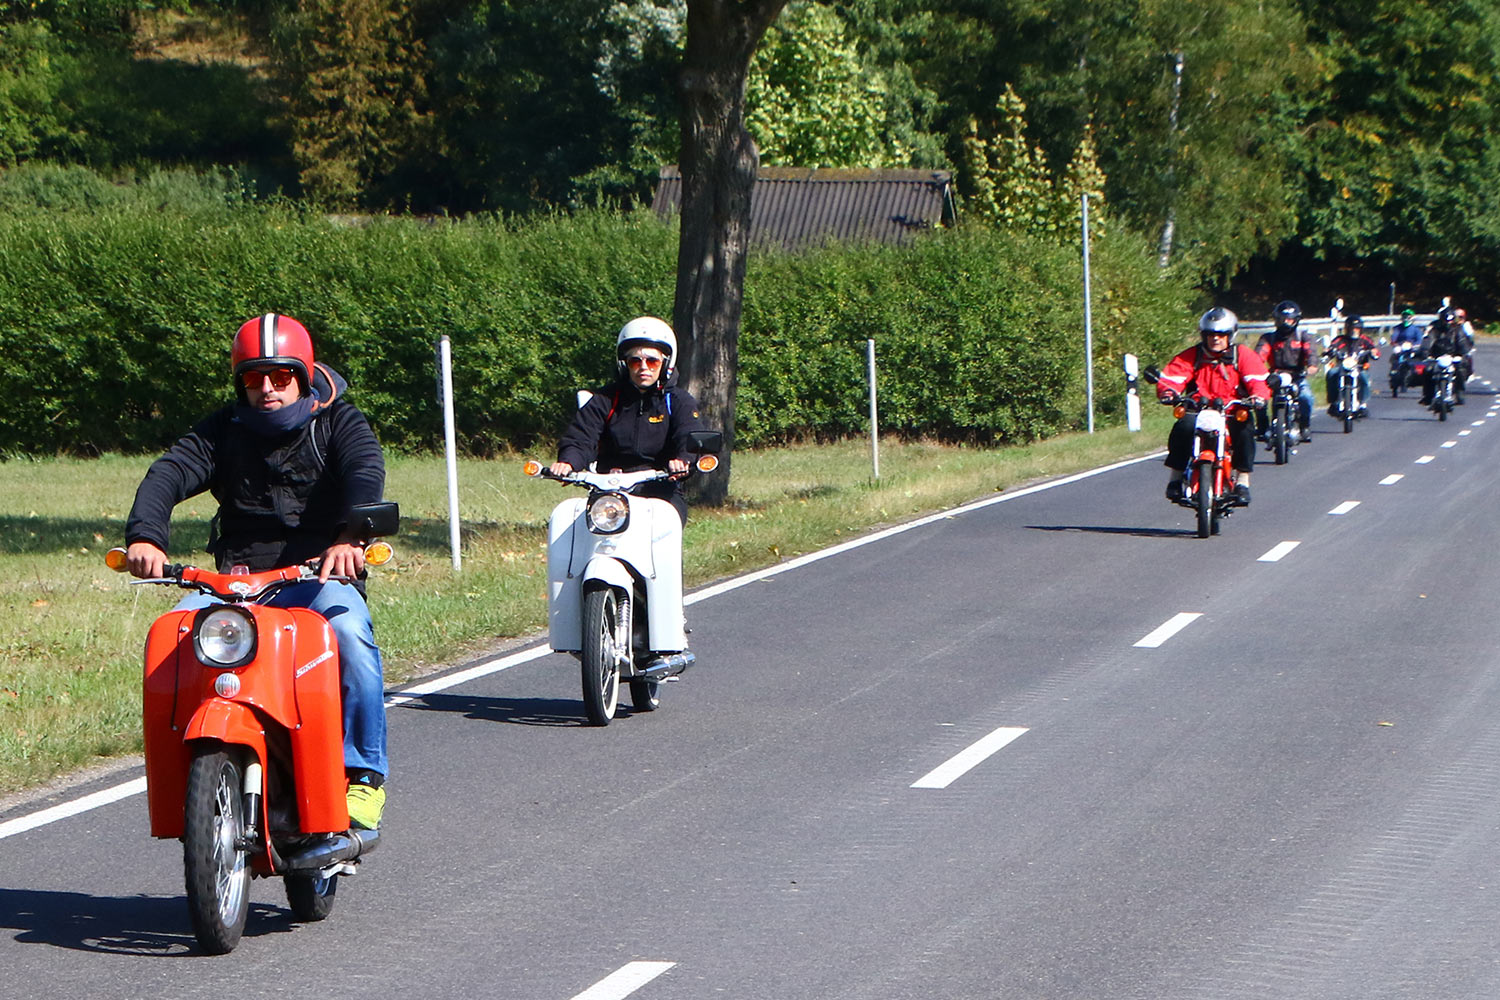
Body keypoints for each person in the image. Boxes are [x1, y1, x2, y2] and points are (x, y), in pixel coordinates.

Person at [124, 313, 391, 831]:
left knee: (351, 638)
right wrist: (146, 536)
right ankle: (190, 779)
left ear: (304, 375)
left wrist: (350, 538)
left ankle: (362, 778)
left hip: (319, 577)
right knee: (169, 641)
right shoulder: (224, 429)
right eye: (252, 377)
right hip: (238, 583)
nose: (266, 388)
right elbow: (169, 473)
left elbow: (365, 472)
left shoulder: (339, 422)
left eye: (281, 375)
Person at [550, 316, 704, 524]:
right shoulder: (604, 400)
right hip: (609, 491)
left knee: (667, 530)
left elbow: (689, 436)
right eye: (635, 361)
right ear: (625, 365)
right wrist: (569, 462)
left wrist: (683, 460)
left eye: (652, 361)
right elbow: (581, 437)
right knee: (571, 529)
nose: (643, 367)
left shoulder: (678, 401)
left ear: (665, 363)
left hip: (660, 491)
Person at [1156, 307, 1270, 506]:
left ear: (1231, 335)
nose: (1215, 339)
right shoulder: (1193, 355)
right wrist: (1168, 392)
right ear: (1203, 335)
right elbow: (1173, 377)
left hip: (1231, 409)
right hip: (1199, 409)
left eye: (1221, 334)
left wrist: (1258, 397)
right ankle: (1175, 478)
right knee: (1183, 427)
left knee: (1245, 430)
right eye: (1210, 334)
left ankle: (1243, 481)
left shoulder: (1242, 355)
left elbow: (1257, 380)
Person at [1254, 299, 1318, 443]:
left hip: (1297, 376)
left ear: (1296, 320)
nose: (1286, 323)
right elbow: (1259, 355)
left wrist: (1312, 365)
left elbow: (1311, 352)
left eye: (1289, 320)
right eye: (1282, 319)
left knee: (1306, 397)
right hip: (1274, 376)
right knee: (1259, 398)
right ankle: (1263, 427)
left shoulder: (1303, 336)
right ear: (1276, 320)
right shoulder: (1268, 338)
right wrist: (1255, 370)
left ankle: (1304, 425)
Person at [1324, 315, 1379, 416]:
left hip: (1359, 367)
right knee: (1331, 373)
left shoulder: (1365, 340)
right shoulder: (1340, 339)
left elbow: (1373, 348)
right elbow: (1332, 347)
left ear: (1361, 329)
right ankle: (1333, 402)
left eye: (1357, 329)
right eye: (1351, 329)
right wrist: (1328, 352)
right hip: (1342, 367)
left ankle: (1363, 404)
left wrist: (1373, 353)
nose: (1354, 331)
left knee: (1364, 378)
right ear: (1346, 329)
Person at [1420, 305, 1473, 404]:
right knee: (1427, 371)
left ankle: (1459, 392)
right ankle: (1427, 396)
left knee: (1460, 371)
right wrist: (1425, 353)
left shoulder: (1458, 330)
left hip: (1453, 357)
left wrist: (1463, 354)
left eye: (1450, 321)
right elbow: (1428, 341)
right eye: (1446, 321)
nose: (1448, 323)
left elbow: (1462, 343)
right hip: (1436, 357)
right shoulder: (1434, 329)